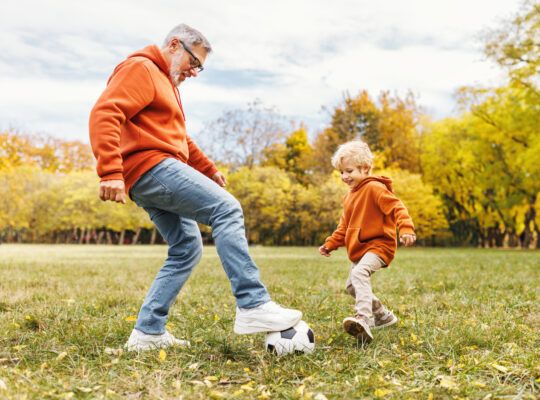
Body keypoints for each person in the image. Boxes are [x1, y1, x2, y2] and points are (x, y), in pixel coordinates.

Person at [89, 24, 301, 352]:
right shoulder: (141, 68)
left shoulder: (166, 83)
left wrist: (208, 169)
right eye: (194, 63)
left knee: (187, 247)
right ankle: (253, 304)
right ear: (175, 45)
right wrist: (109, 172)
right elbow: (106, 113)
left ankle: (148, 333)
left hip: (153, 170)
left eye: (200, 67)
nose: (194, 72)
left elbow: (179, 138)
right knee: (227, 208)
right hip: (151, 167)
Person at [318, 140, 416, 343]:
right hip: (359, 249)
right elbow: (344, 227)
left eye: (349, 171)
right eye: (341, 173)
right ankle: (383, 315)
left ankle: (363, 317)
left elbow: (397, 207)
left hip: (379, 246)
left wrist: (405, 228)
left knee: (359, 273)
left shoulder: (374, 188)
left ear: (365, 168)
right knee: (352, 286)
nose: (345, 177)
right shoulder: (349, 197)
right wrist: (331, 243)